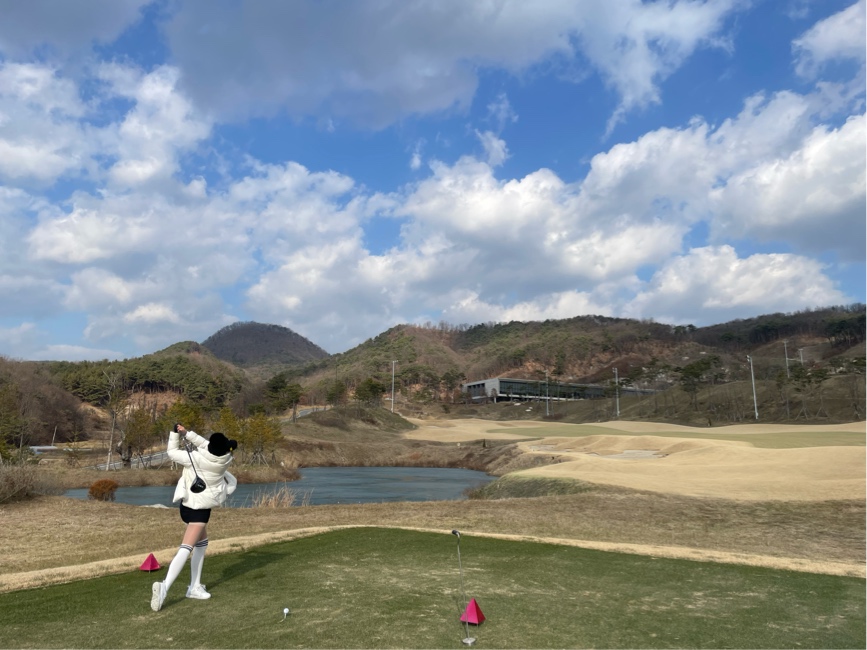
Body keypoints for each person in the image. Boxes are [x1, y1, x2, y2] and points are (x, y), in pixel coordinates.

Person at [151, 423, 238, 612]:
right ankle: (165, 587)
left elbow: (172, 452)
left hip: (187, 506)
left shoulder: (196, 458)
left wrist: (176, 434)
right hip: (200, 510)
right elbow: (206, 445)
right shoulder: (225, 460)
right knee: (186, 548)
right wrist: (187, 434)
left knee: (201, 544)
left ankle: (194, 586)